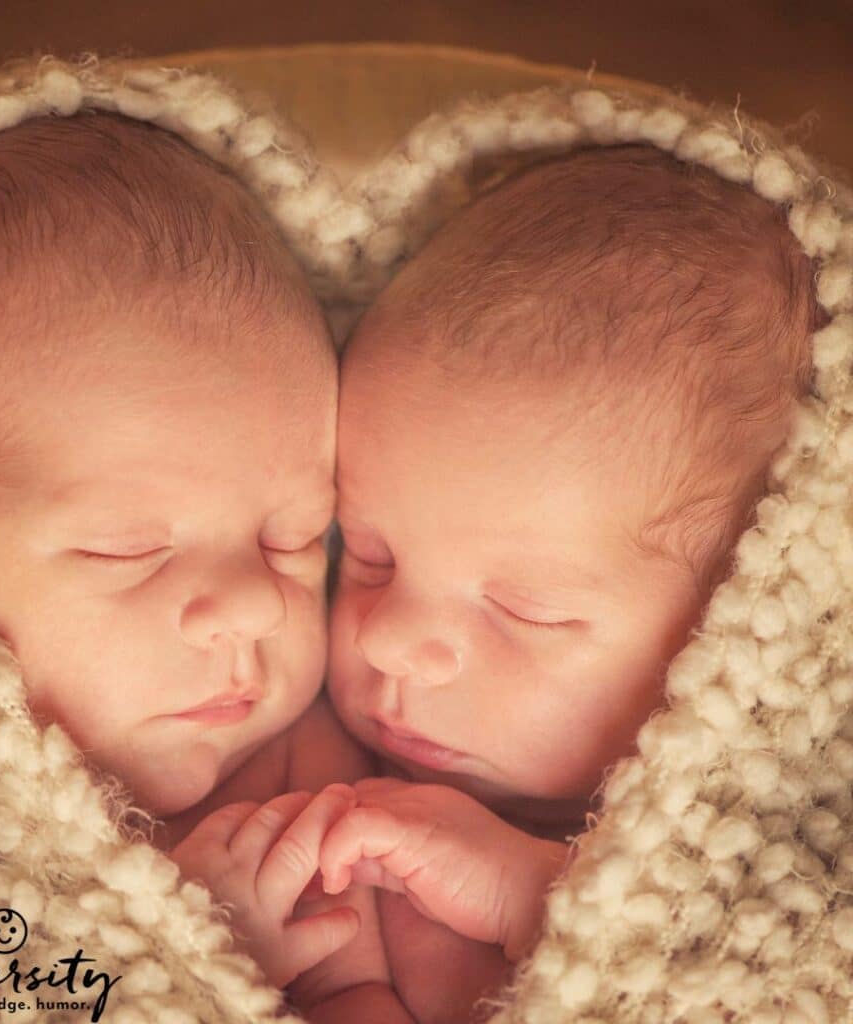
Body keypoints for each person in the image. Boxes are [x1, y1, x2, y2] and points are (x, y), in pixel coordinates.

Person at [0, 107, 390, 1015]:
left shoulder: (313, 783)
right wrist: (155, 957)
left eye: (295, 538)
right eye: (129, 549)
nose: (257, 607)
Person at [322, 143, 820, 1023]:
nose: (385, 637)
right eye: (365, 554)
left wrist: (548, 902)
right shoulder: (296, 758)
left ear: (741, 636)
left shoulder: (770, 875)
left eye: (526, 611)